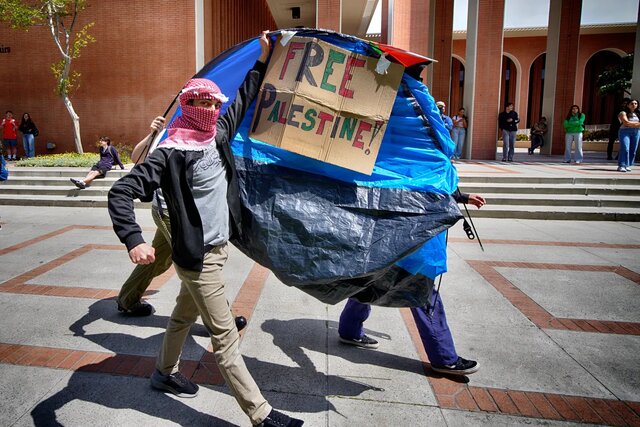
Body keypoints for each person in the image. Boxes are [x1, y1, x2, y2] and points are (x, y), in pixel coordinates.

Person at [108, 31, 303, 427]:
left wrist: (264, 58)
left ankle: (164, 373)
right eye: (197, 101)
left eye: (211, 101)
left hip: (215, 248)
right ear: (185, 105)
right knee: (225, 339)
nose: (206, 107)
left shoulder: (217, 136)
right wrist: (134, 240)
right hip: (198, 260)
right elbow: (121, 191)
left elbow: (246, 94)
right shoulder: (169, 154)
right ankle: (261, 414)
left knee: (181, 317)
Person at [116, 117, 248, 331]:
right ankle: (219, 320)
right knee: (198, 261)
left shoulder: (205, 134)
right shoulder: (170, 133)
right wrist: (152, 134)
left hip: (188, 213)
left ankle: (127, 300)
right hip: (170, 212)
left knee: (159, 260)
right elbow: (136, 159)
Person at [338, 191, 486, 377]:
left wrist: (461, 197)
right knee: (421, 290)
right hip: (412, 231)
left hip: (383, 228)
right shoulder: (428, 161)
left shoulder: (382, 161)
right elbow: (428, 181)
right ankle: (444, 358)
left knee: (372, 281)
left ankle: (349, 329)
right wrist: (459, 196)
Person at [617, 99, 640, 173]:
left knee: (633, 150)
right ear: (628, 105)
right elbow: (626, 123)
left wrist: (630, 124)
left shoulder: (638, 114)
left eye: (636, 103)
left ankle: (627, 165)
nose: (634, 105)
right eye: (632, 103)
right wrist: (636, 124)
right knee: (625, 148)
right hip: (624, 131)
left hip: (636, 132)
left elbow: (628, 123)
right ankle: (621, 165)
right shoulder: (623, 113)